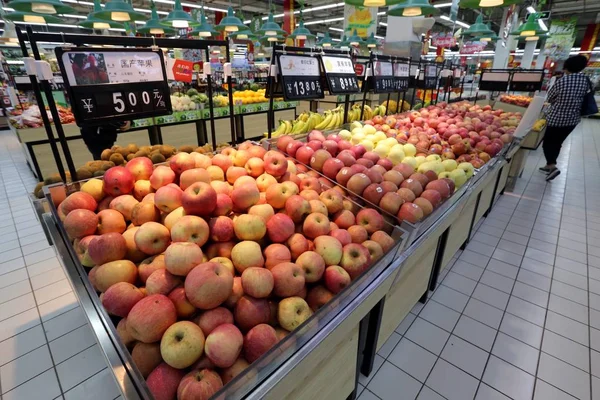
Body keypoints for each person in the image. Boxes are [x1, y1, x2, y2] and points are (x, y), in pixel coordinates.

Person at [541, 55, 592, 181]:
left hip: (557, 118)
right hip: (572, 120)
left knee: (547, 143)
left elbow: (550, 98)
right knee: (558, 142)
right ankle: (549, 165)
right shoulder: (586, 81)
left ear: (567, 67)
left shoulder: (563, 81)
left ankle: (552, 167)